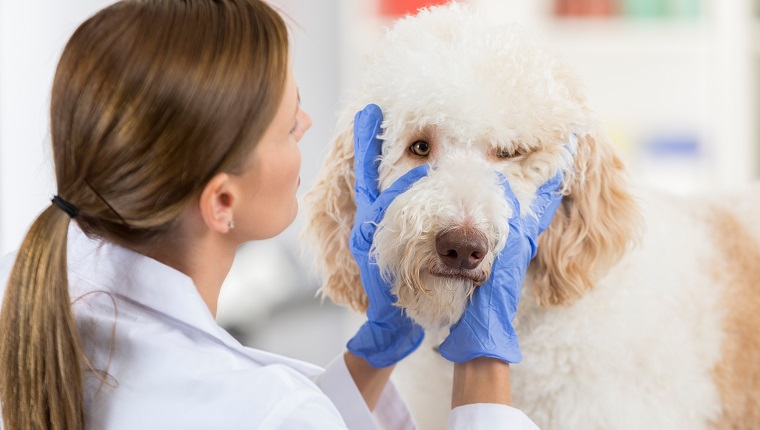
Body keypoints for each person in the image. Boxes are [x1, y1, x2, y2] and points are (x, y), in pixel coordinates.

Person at [0, 1, 565, 429]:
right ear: (223, 201)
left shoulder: (35, 301)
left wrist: (379, 344)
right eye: (286, 123)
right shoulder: (267, 408)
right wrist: (484, 359)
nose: (307, 124)